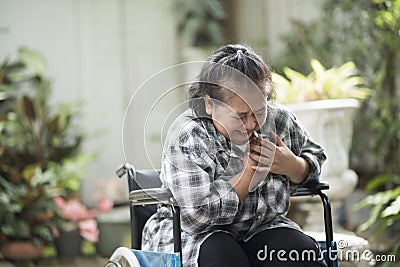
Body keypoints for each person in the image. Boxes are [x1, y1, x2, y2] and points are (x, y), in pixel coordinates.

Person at [142, 44, 327, 267]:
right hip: (195, 236)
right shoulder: (190, 135)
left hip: (261, 227)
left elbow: (315, 156)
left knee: (301, 253)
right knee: (224, 255)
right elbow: (196, 218)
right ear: (210, 104)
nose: (251, 124)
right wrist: (247, 175)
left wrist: (292, 166)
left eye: (259, 111)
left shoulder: (279, 120)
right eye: (240, 116)